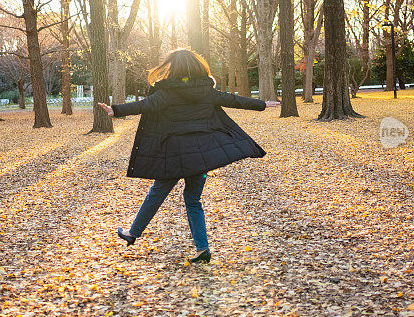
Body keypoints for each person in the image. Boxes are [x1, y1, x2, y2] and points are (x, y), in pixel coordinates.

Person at [98, 48, 279, 263]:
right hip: (200, 158)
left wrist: (115, 110)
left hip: (174, 156)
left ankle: (133, 233)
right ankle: (202, 248)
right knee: (192, 199)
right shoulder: (206, 90)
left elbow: (145, 105)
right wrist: (262, 104)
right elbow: (233, 100)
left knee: (157, 192)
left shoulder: (167, 92)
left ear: (173, 67)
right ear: (196, 65)